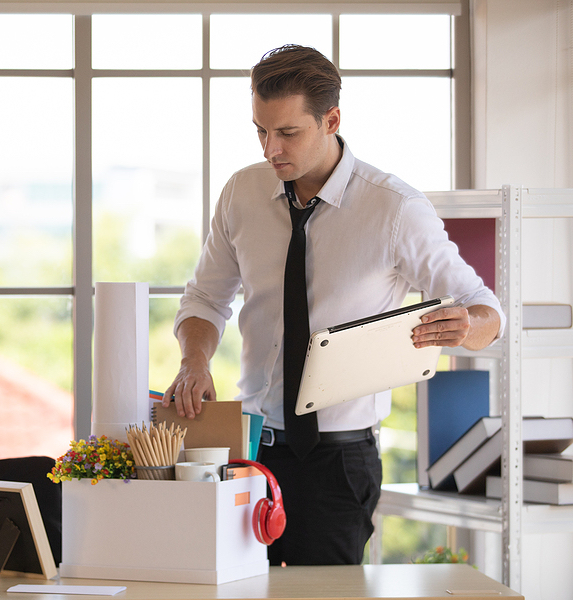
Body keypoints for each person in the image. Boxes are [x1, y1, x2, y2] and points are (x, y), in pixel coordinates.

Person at [162, 44, 505, 566]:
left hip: (338, 462)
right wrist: (194, 359)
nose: (270, 149)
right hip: (247, 452)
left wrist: (467, 325)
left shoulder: (395, 208)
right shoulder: (241, 193)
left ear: (331, 121)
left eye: (287, 132)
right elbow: (206, 298)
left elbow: (486, 309)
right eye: (260, 130)